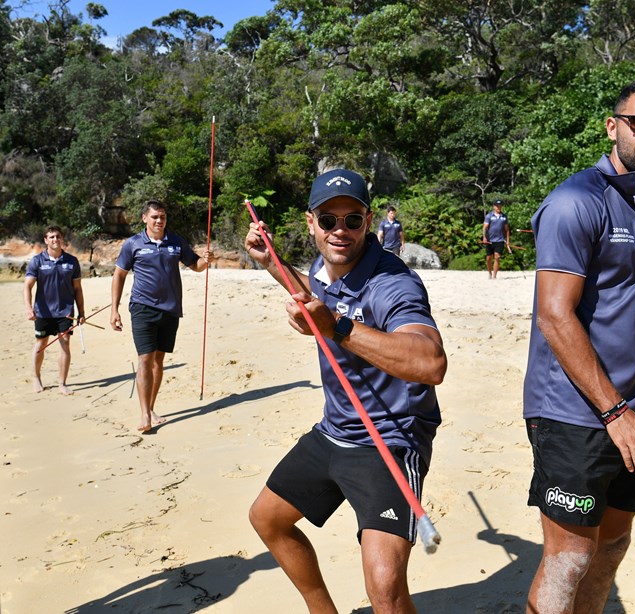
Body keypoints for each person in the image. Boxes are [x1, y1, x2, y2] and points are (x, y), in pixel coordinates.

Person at [522, 77, 635, 613]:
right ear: (613, 127)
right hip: (575, 410)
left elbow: (628, 297)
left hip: (632, 406)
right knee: (570, 557)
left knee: (611, 546)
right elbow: (555, 315)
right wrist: (615, 412)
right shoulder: (575, 201)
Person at [244, 168, 447, 613]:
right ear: (310, 223)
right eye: (328, 220)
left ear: (368, 222)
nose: (340, 230)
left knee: (385, 589)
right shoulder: (323, 267)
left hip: (390, 440)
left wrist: (336, 327)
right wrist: (271, 261)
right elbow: (319, 294)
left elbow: (430, 362)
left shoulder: (393, 282)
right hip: (335, 429)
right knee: (268, 519)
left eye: (352, 220)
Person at [110, 199, 214, 433]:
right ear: (144, 218)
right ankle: (144, 414)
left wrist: (206, 260)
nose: (159, 220)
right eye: (155, 217)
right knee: (145, 359)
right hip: (142, 307)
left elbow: (195, 265)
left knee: (158, 360)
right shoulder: (133, 244)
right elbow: (119, 275)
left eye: (163, 217)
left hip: (170, 309)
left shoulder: (176, 241)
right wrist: (114, 309)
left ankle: (151, 408)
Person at [23, 225, 85, 395]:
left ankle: (62, 383)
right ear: (46, 240)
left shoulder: (72, 261)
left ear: (62, 238)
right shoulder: (37, 261)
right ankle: (36, 377)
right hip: (43, 312)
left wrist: (81, 312)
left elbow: (78, 289)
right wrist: (28, 308)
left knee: (65, 345)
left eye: (58, 236)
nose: (55, 239)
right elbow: (27, 286)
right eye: (51, 237)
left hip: (65, 312)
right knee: (41, 344)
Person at [482, 199, 510, 278]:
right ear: (494, 207)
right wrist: (484, 237)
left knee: (497, 256)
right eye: (497, 206)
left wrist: (508, 241)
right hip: (490, 240)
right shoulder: (489, 216)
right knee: (488, 258)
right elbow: (484, 227)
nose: (499, 207)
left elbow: (507, 230)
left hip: (500, 240)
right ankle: (489, 273)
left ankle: (494, 276)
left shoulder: (504, 217)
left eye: (500, 206)